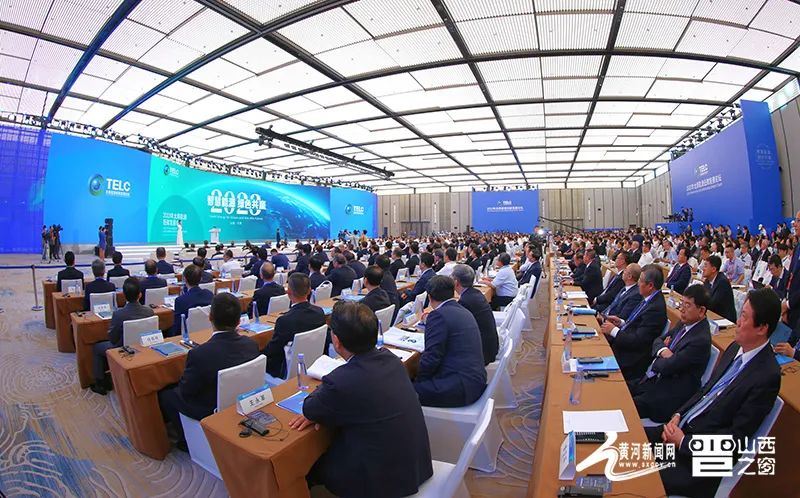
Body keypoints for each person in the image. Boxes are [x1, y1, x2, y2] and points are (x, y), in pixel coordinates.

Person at [646, 288, 781, 498]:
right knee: (629, 438)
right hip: (682, 431)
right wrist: (678, 415)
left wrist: (684, 442)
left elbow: (735, 440)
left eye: (744, 317)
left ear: (762, 328)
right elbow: (706, 390)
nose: (738, 321)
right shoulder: (735, 348)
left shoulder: (766, 377)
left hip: (700, 461)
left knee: (633, 472)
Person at [290, 302, 433, 498]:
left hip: (380, 482)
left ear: (336, 341)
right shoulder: (392, 360)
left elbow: (309, 409)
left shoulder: (341, 381)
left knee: (305, 467)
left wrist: (325, 397)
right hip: (415, 466)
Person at [159, 292, 260, 450]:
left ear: (210, 317)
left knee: (167, 394)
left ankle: (186, 441)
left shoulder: (199, 354)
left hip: (210, 409)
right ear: (239, 321)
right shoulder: (251, 344)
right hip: (242, 402)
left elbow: (186, 391)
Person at [631, 284, 712, 423]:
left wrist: (662, 356)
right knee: (619, 388)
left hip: (667, 396)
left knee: (624, 404)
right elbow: (658, 340)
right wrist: (664, 351)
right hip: (653, 381)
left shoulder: (700, 340)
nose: (682, 309)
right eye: (682, 303)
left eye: (687, 305)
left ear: (701, 310)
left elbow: (666, 367)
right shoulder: (684, 323)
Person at [414, 275, 487, 407]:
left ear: (429, 297)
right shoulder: (463, 310)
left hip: (458, 388)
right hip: (475, 381)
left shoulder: (438, 316)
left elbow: (431, 357)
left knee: (400, 390)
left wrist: (419, 381)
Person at [600, 264, 668, 381]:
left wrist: (613, 330)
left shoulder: (655, 309)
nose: (637, 284)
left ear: (650, 286)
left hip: (630, 358)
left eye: (640, 281)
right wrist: (621, 323)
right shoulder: (649, 298)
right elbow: (636, 324)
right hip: (623, 344)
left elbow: (638, 341)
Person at [90, 277, 154, 395]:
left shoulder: (119, 314)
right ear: (140, 295)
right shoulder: (149, 311)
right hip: (143, 346)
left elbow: (113, 339)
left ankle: (100, 383)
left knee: (97, 347)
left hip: (122, 348)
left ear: (124, 295)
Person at [262, 273, 326, 379]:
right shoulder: (319, 312)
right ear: (309, 291)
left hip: (285, 370)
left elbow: (273, 350)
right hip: (314, 365)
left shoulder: (284, 321)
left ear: (288, 292)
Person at [453, 264, 498, 366]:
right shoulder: (476, 293)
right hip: (490, 346)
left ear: (456, 282)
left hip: (482, 353)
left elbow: (457, 329)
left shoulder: (465, 301)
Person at [169, 264, 213, 337]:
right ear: (201, 279)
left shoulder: (180, 300)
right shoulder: (209, 294)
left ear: (184, 279)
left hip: (187, 336)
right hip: (207, 332)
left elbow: (178, 327)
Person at [703, 255, 736, 322]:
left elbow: (712, 304)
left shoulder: (722, 282)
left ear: (713, 269)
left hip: (724, 319)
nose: (703, 269)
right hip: (712, 314)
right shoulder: (707, 280)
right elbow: (703, 297)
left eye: (706, 266)